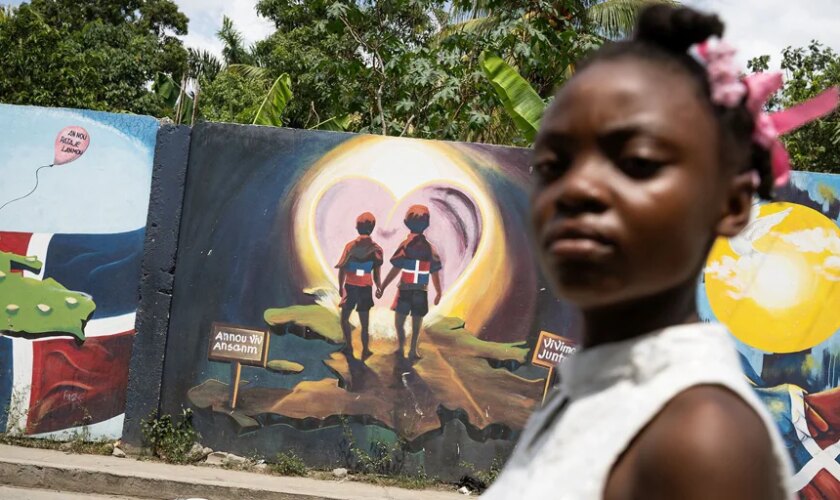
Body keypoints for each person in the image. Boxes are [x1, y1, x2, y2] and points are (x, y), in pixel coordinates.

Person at [484, 5, 837, 500]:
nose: (577, 187)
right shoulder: (598, 391)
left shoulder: (698, 436)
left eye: (637, 161)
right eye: (552, 163)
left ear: (730, 203)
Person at [377, 205, 443, 361]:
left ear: (406, 222)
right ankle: (412, 349)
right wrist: (439, 292)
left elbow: (395, 269)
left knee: (399, 321)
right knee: (416, 321)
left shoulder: (405, 245)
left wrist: (383, 285)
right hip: (421, 291)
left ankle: (401, 348)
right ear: (426, 225)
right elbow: (434, 272)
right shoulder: (430, 248)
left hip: (405, 290)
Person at [335, 212, 383, 360]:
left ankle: (348, 347)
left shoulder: (350, 247)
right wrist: (379, 287)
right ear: (373, 228)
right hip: (366, 288)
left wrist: (340, 287)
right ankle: (366, 350)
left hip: (350, 287)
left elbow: (342, 269)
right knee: (365, 322)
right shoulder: (377, 250)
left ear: (357, 227)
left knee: (344, 319)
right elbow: (377, 273)